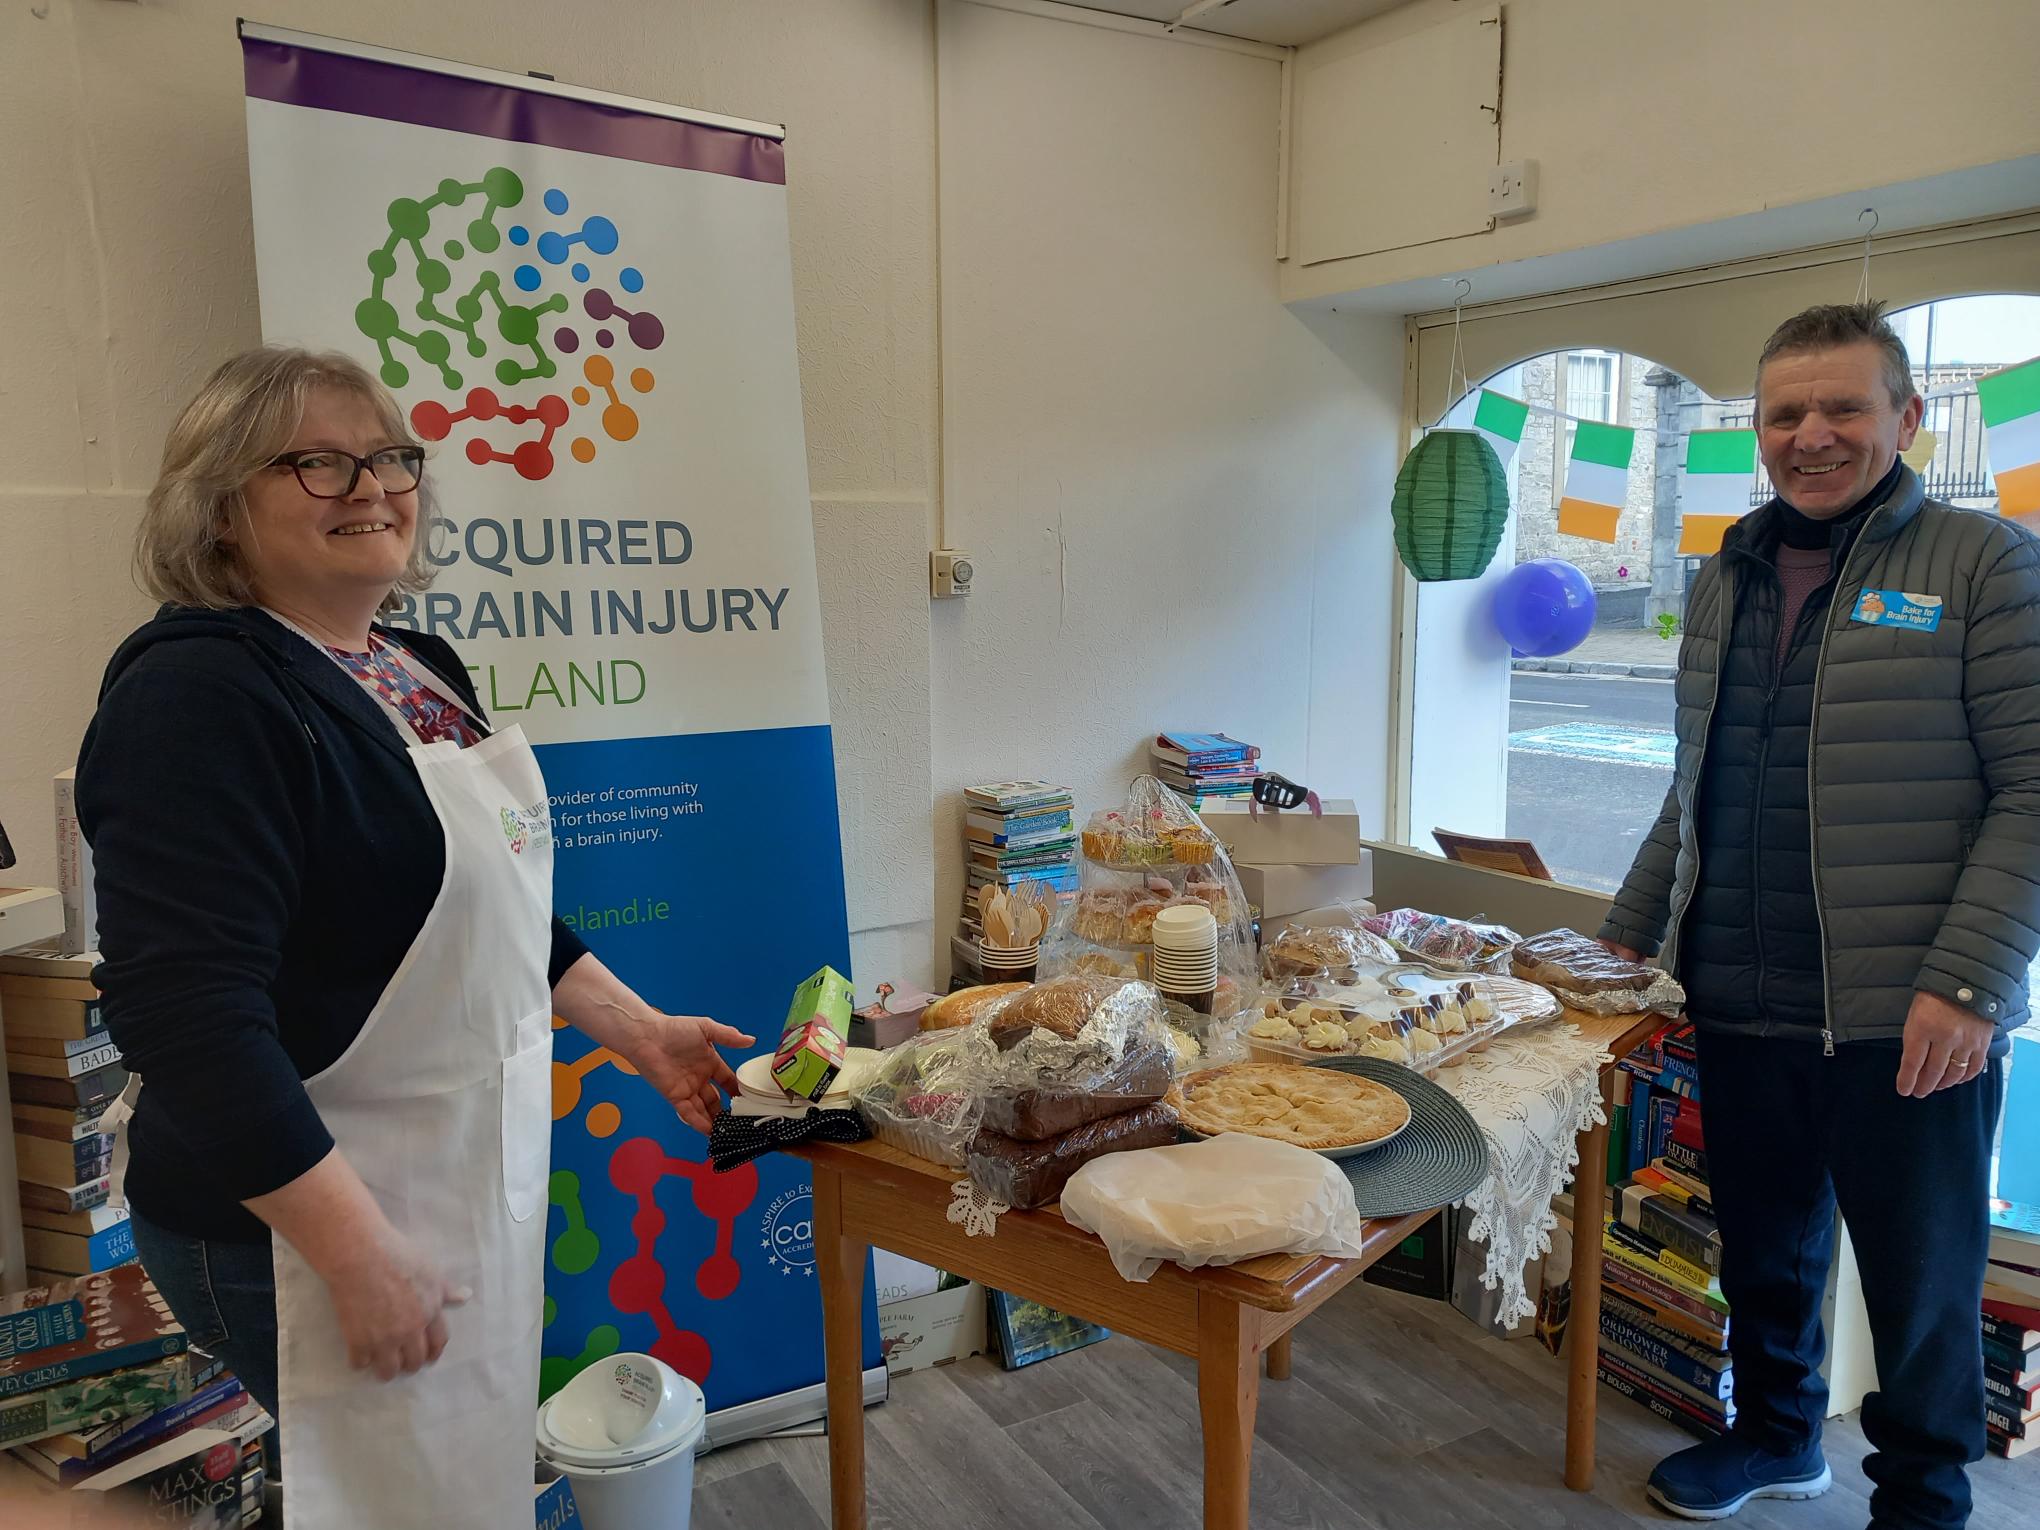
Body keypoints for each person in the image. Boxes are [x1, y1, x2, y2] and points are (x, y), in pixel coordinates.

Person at [76, 347, 754, 1530]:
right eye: (320, 462)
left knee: (445, 1492)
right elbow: (185, 1017)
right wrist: (354, 1252)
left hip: (445, 1190)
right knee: (388, 1503)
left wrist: (640, 1032)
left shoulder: (410, 665)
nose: (373, 487)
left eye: (390, 458)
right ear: (221, 506)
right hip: (295, 1228)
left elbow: (485, 907)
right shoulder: (196, 696)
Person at [1600, 302, 2040, 1529]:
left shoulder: (1981, 563)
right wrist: (1623, 943)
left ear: (1905, 417)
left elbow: (2036, 789)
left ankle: (1923, 1496)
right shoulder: (1725, 573)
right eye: (1786, 412)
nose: (1813, 435)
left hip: (1910, 1012)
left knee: (1922, 1277)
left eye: (1845, 406)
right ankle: (1779, 1436)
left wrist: (1968, 983)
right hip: (1741, 992)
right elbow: (1692, 791)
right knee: (1763, 1249)